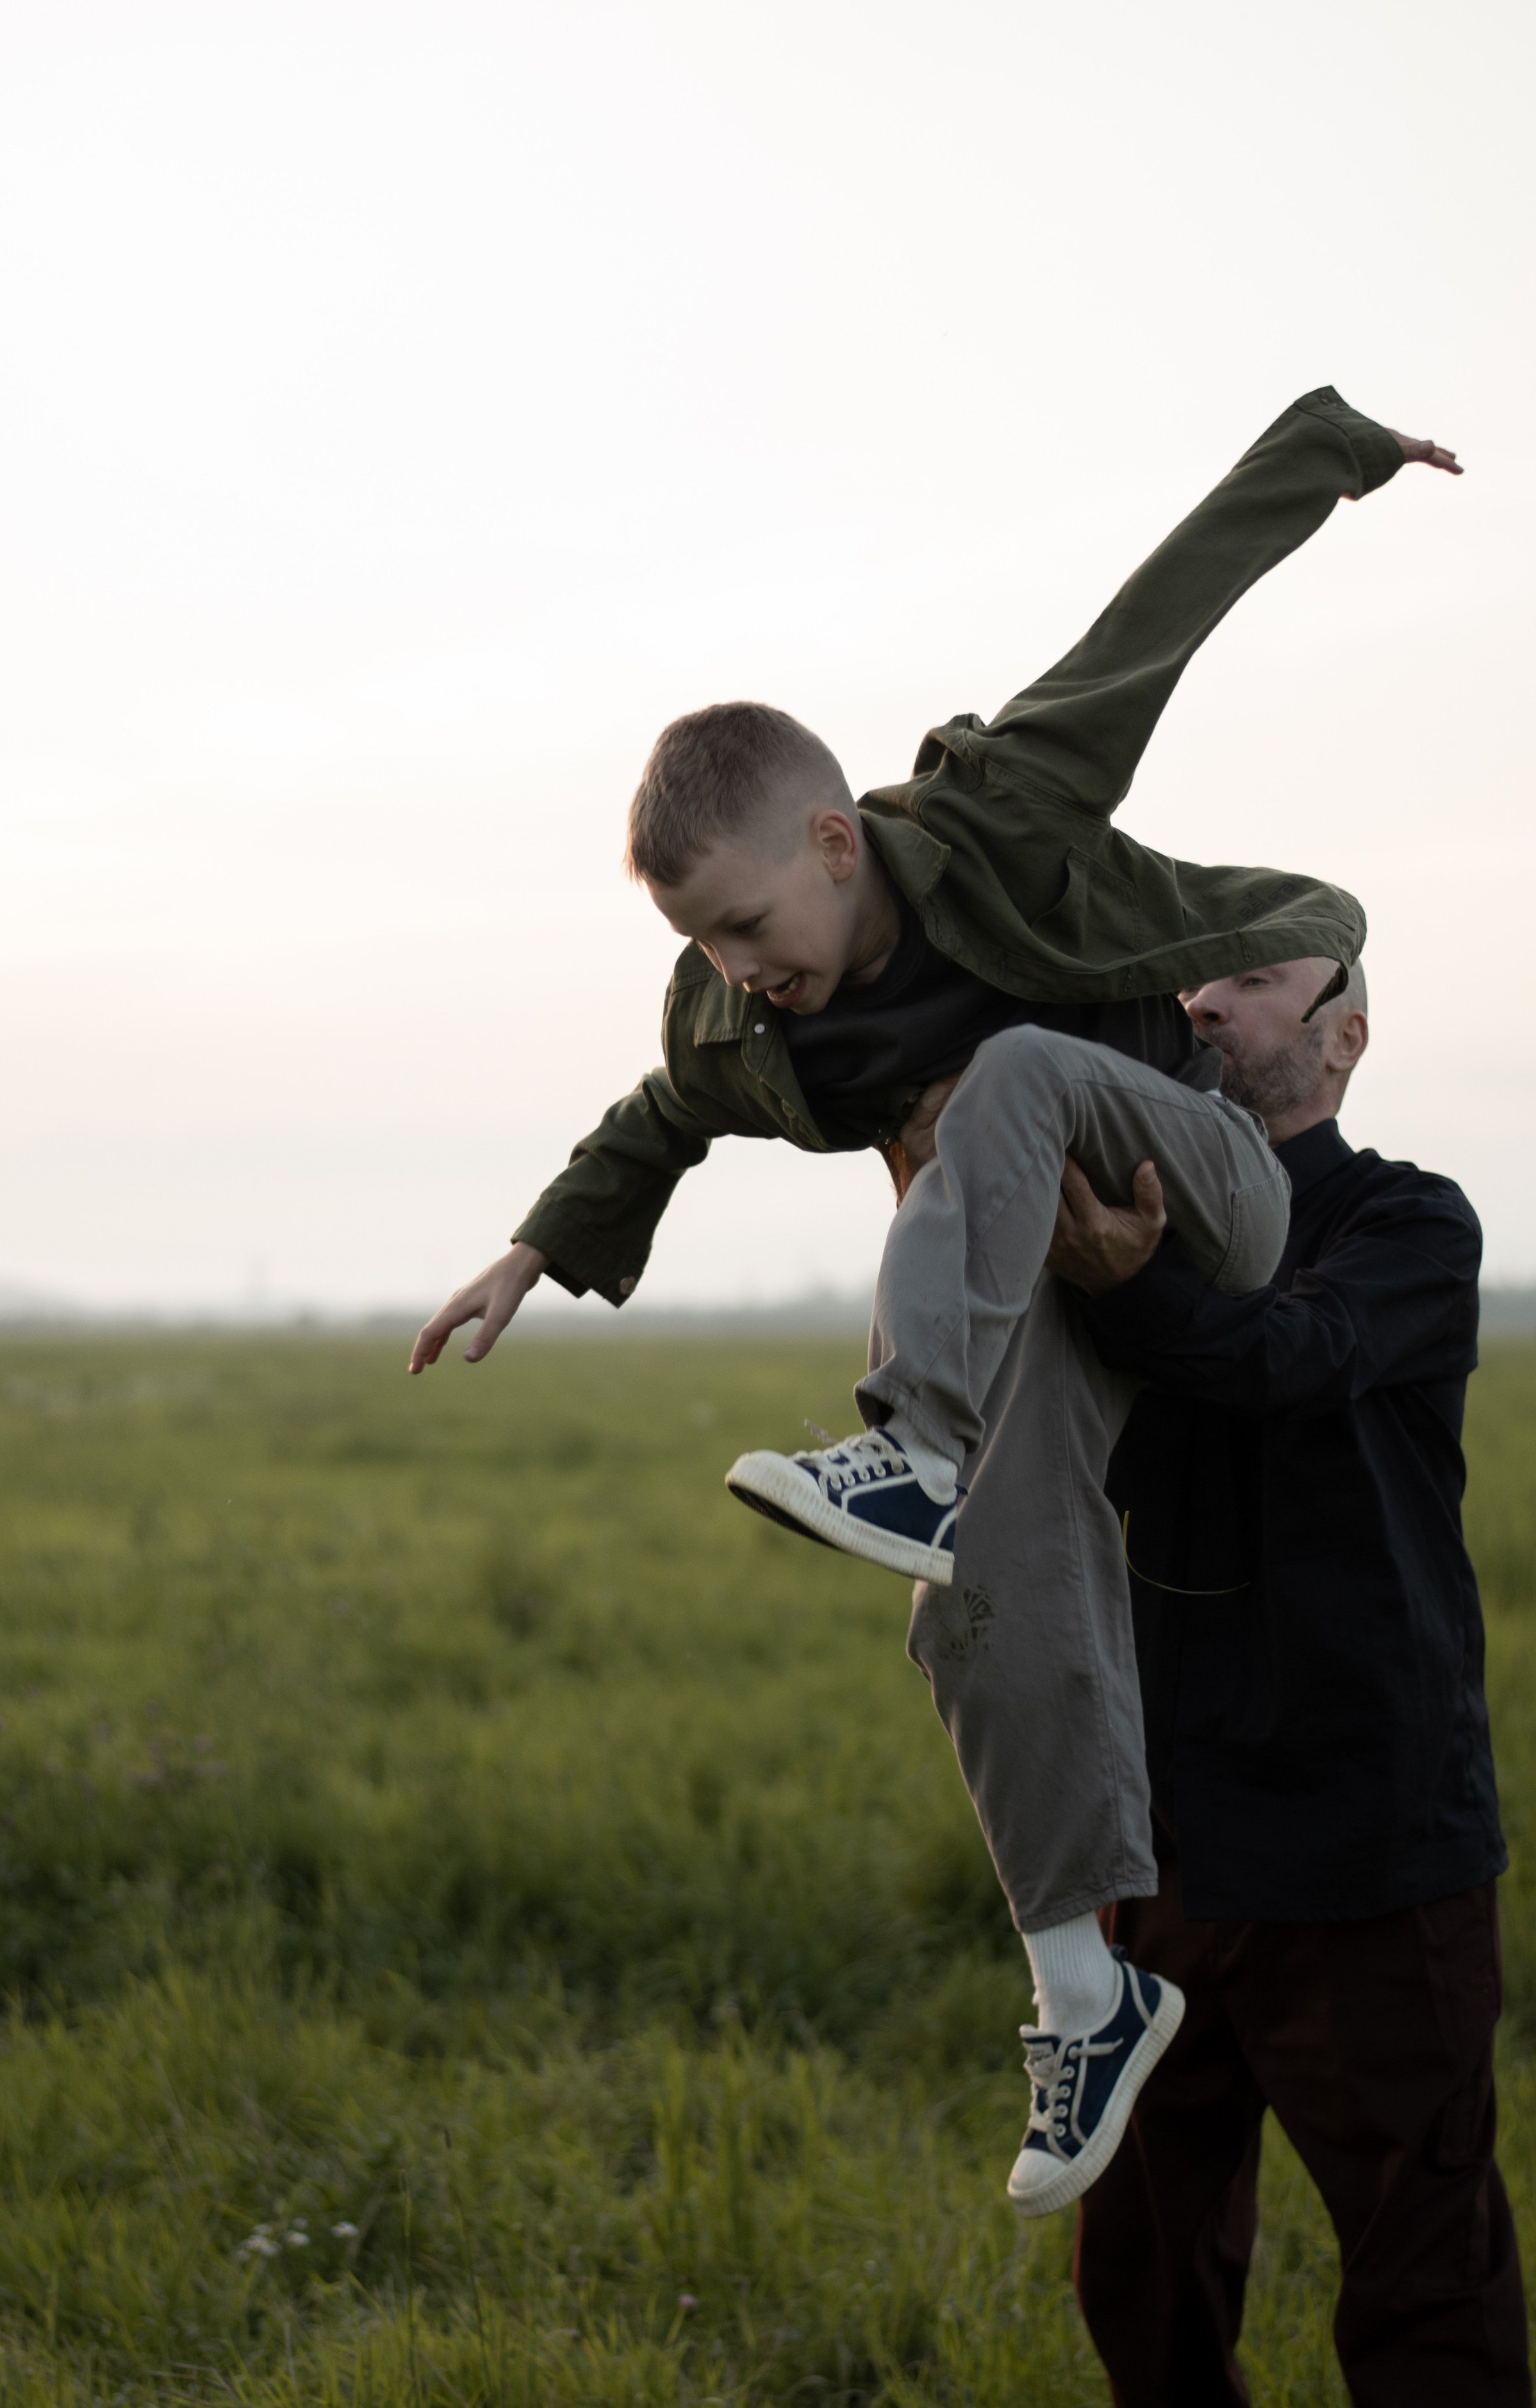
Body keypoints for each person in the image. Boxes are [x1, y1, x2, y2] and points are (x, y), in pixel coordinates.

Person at [410, 389, 1461, 2216]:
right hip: (1044, 1291)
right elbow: (659, 1118)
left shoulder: (1008, 811)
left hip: (1207, 1181)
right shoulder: (752, 1028)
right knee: (979, 1598)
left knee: (1019, 1076)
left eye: (752, 929)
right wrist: (535, 1247)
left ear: (833, 843)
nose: (744, 977)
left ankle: (907, 1442)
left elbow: (1164, 609)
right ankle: (1083, 1987)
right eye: (705, 956)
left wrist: (1338, 450)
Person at [1045, 958, 1528, 2408]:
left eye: (1247, 980)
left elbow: (1287, 1356)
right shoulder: (1123, 1221)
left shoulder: (1404, 1219)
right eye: (1191, 977)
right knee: (1141, 2282)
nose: (1201, 1004)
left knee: (1420, 2286)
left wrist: (1132, 1285)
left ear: (1341, 1037)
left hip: (1367, 1847)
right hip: (1162, 1849)